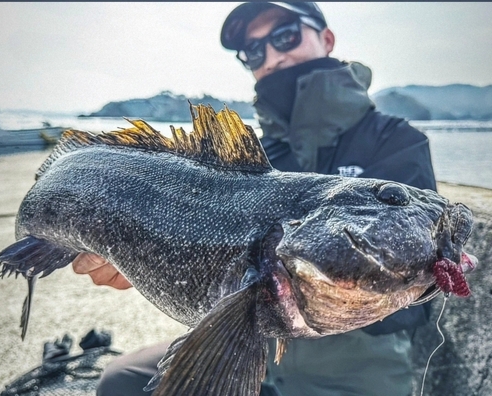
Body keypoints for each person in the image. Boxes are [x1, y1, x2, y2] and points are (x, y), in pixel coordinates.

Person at [73, 3, 437, 395]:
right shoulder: (258, 160)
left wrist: (330, 283)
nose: (273, 56)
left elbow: (414, 288)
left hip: (352, 374)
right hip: (251, 356)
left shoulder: (396, 142)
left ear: (327, 38)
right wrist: (149, 261)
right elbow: (224, 262)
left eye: (285, 36)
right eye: (254, 51)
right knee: (121, 382)